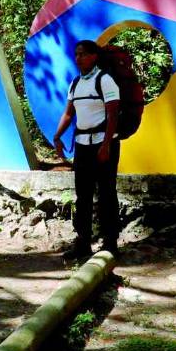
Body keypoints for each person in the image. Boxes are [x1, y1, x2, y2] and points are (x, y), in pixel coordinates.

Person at [53, 40, 120, 261]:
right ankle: (83, 242)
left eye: (83, 54)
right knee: (83, 195)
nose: (78, 58)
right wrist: (57, 135)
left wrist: (106, 145)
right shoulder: (75, 84)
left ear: (94, 56)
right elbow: (69, 113)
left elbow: (113, 115)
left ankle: (110, 242)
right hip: (82, 146)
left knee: (107, 193)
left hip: (103, 144)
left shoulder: (105, 81)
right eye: (76, 54)